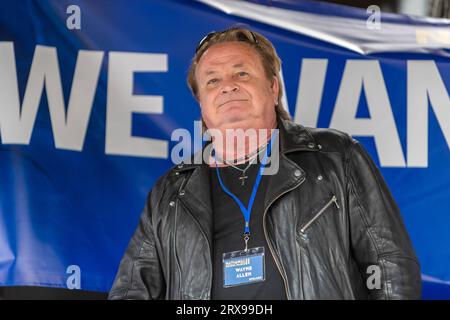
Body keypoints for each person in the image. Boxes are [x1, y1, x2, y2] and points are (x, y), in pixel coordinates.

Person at [108, 27, 421, 300]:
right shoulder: (170, 193)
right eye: (212, 81)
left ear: (273, 88)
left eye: (241, 73)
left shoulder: (336, 156)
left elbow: (390, 264)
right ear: (202, 105)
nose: (227, 86)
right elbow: (132, 290)